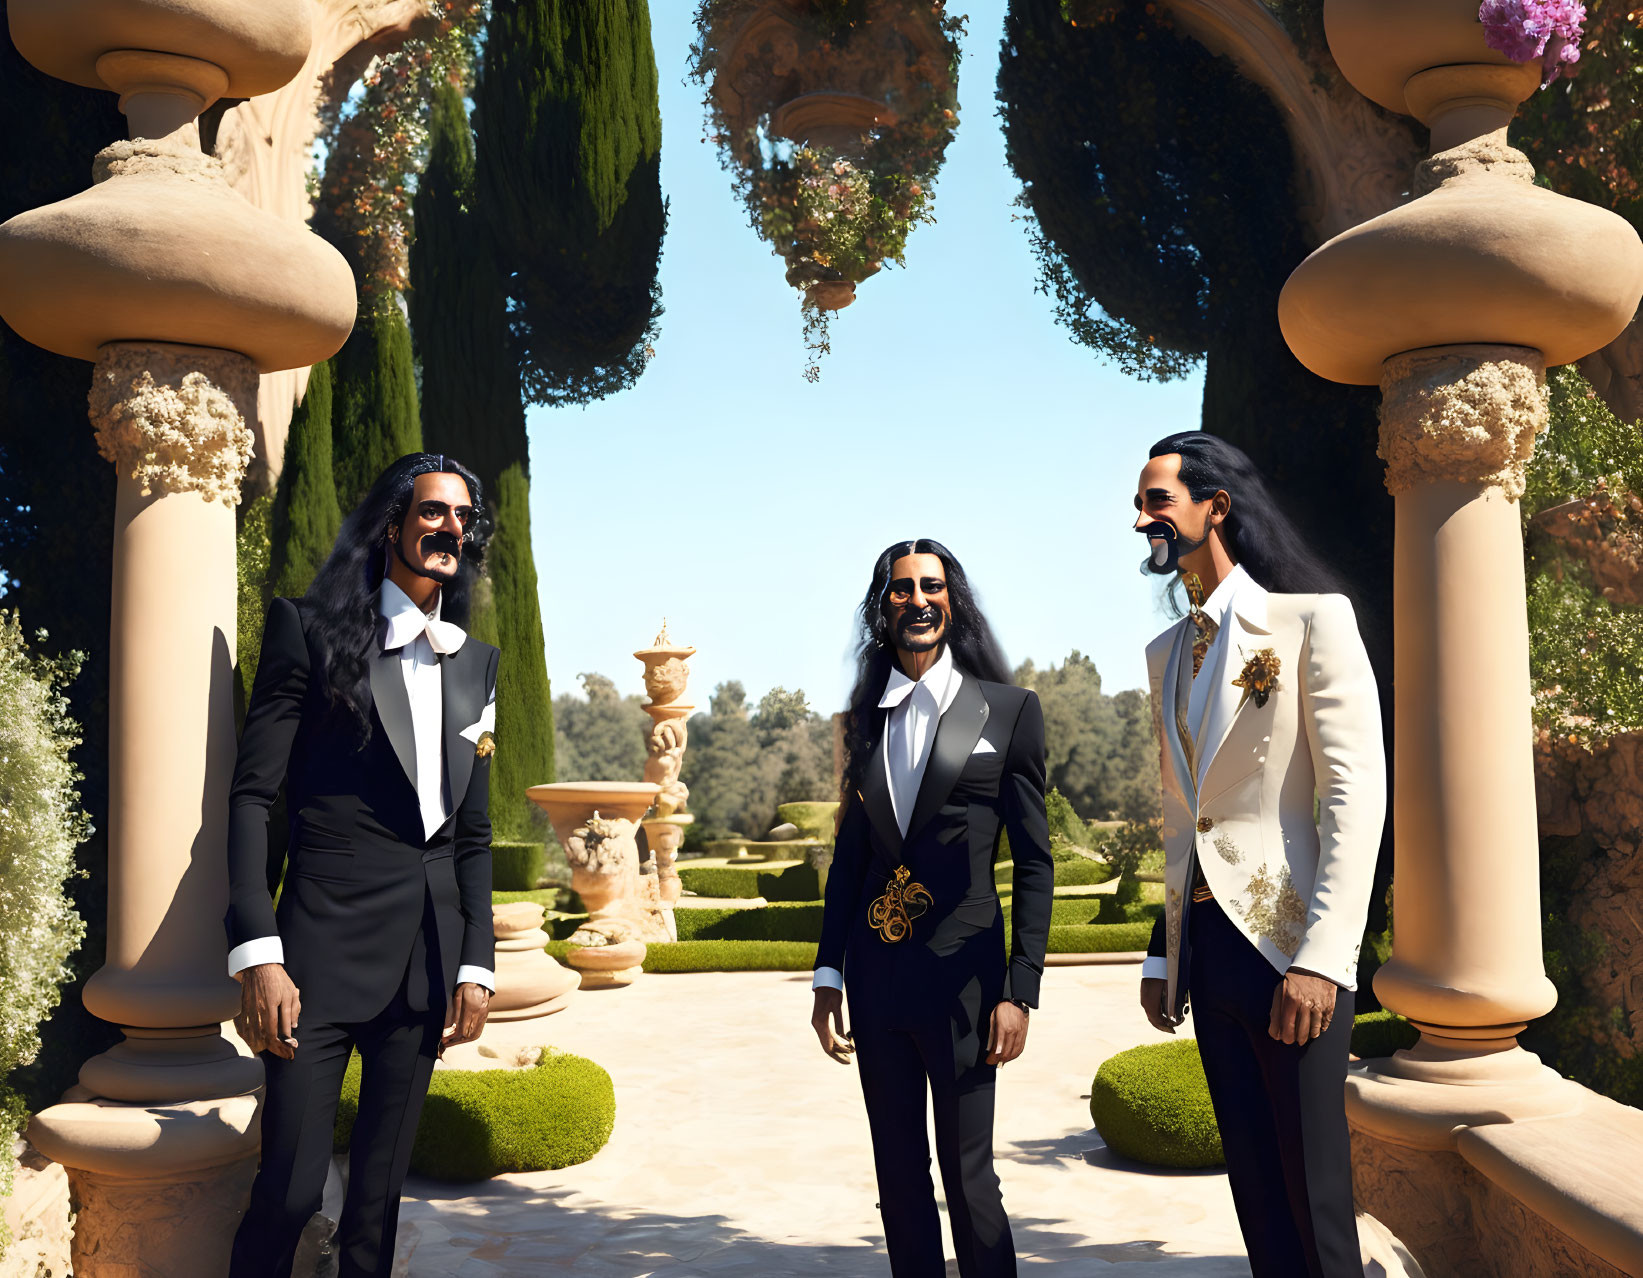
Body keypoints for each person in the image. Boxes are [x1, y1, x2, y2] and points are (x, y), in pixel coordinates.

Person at [225, 453, 500, 1278]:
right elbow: (251, 800)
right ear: (391, 524)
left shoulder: (476, 663)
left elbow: (471, 833)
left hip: (424, 965)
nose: (450, 526)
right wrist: (258, 954)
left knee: (377, 1208)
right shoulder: (304, 632)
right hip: (314, 961)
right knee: (290, 1190)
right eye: (432, 512)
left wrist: (476, 960)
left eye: (461, 516)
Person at [1133, 432, 1385, 1277]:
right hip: (1205, 958)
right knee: (1256, 1198)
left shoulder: (1310, 620)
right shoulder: (1164, 655)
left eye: (1156, 501)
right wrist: (1158, 951)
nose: (1142, 520)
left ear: (1216, 507)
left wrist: (1322, 958)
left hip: (1288, 954)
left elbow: (1355, 799)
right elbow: (1182, 818)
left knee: (1315, 1204)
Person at [811, 538, 1054, 1278]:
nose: (917, 600)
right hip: (877, 979)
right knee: (897, 1174)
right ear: (881, 608)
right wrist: (827, 974)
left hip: (967, 986)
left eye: (931, 586)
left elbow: (1034, 860)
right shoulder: (862, 719)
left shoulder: (1008, 712)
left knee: (968, 1173)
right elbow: (850, 856)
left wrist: (1020, 990)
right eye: (900, 588)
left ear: (952, 601)